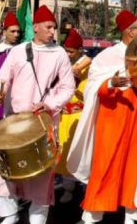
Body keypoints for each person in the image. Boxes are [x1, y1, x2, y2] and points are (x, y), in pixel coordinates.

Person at [0, 6, 75, 224]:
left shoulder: (59, 54)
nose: (52, 32)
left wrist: (48, 104)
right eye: (48, 27)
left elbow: (67, 87)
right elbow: (2, 77)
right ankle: (9, 216)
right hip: (14, 122)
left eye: (54, 28)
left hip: (42, 123)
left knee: (41, 180)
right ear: (35, 27)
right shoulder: (18, 51)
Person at [68, 10, 137, 224]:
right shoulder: (107, 56)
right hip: (111, 120)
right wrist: (111, 83)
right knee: (105, 167)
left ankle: (132, 216)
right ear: (130, 32)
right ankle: (93, 215)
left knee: (135, 167)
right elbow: (92, 89)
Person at [56, 27, 91, 204]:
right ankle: (68, 189)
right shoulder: (62, 64)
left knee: (81, 154)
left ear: (79, 50)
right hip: (64, 116)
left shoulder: (89, 65)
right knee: (63, 154)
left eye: (71, 51)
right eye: (66, 50)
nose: (68, 54)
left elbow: (91, 92)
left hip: (81, 116)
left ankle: (87, 190)